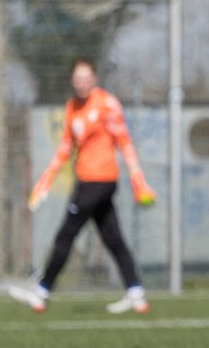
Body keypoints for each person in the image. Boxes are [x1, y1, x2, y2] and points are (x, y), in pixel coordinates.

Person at [9, 58, 157, 315]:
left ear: (95, 79)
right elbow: (67, 145)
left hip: (98, 182)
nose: (82, 83)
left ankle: (42, 292)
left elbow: (125, 142)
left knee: (65, 234)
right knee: (114, 239)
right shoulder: (72, 107)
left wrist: (138, 180)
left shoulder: (107, 104)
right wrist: (47, 177)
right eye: (77, 79)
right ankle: (136, 293)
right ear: (72, 81)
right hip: (87, 181)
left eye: (86, 78)